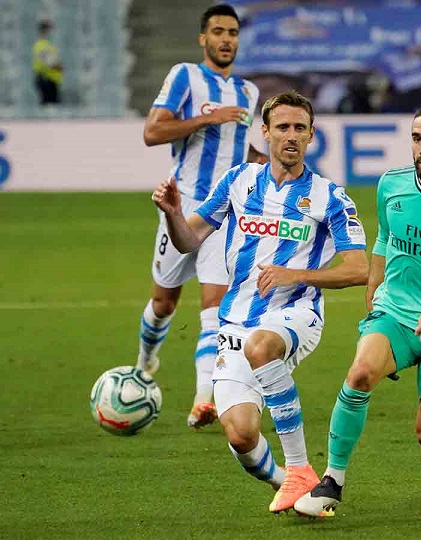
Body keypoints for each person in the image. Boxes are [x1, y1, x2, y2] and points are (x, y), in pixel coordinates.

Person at [151, 90, 369, 513]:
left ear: (311, 136)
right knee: (241, 434)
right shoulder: (238, 181)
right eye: (283, 127)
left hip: (296, 313)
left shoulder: (330, 196)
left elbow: (360, 269)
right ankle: (289, 484)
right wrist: (174, 213)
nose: (291, 136)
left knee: (262, 347)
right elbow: (189, 239)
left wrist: (298, 274)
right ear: (265, 132)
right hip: (236, 321)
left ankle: (301, 468)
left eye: (300, 129)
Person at [294, 105, 421, 523]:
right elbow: (386, 238)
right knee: (360, 373)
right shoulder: (392, 184)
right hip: (396, 313)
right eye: (417, 138)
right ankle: (332, 480)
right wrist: (374, 283)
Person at [136, 4, 268, 429]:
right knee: (163, 302)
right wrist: (206, 118)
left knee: (214, 305)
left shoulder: (248, 92)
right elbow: (153, 132)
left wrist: (261, 161)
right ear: (203, 38)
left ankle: (202, 401)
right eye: (218, 31)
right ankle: (145, 361)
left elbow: (235, 145)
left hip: (225, 211)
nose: (227, 39)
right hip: (182, 205)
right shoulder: (185, 77)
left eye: (232, 32)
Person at [33, 21, 63, 104]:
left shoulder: (47, 44)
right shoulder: (41, 44)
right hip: (46, 79)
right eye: (49, 30)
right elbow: (48, 61)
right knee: (49, 106)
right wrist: (58, 66)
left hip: (50, 79)